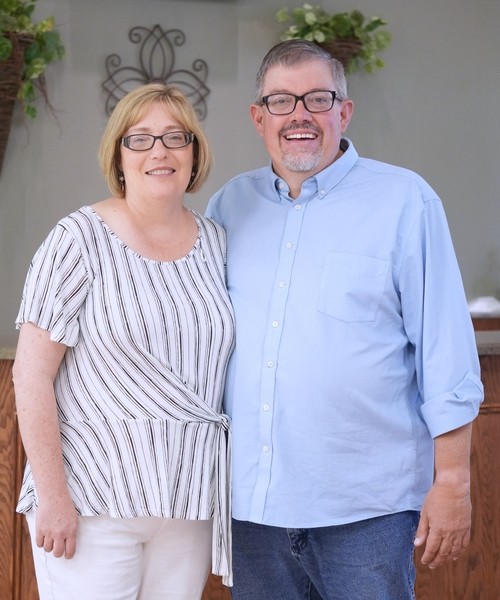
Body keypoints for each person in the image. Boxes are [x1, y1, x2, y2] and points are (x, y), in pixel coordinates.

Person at [205, 40, 483, 600]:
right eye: (281, 101)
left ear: (344, 111)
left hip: (366, 510)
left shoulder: (405, 201)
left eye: (318, 98)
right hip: (251, 508)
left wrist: (453, 480)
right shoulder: (229, 207)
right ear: (259, 117)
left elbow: (446, 352)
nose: (299, 115)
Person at [13, 82, 235, 600]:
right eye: (140, 139)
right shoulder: (77, 239)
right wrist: (53, 498)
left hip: (187, 500)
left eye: (176, 137)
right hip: (91, 499)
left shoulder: (218, 244)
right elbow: (31, 374)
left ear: (194, 153)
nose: (159, 151)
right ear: (118, 155)